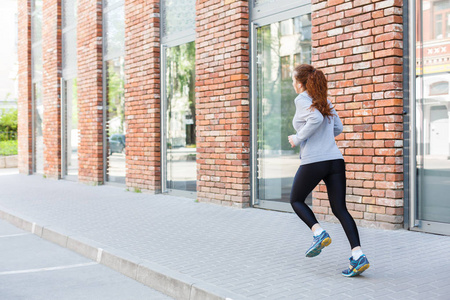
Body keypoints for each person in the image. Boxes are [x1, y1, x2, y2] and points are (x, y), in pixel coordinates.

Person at [288, 64, 370, 277]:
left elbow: (315, 119)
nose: (293, 84)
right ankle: (358, 255)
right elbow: (338, 128)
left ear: (300, 83)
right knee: (340, 209)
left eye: (293, 80)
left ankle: (319, 232)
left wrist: (298, 138)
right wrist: (323, 136)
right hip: (335, 160)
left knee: (296, 200)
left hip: (315, 160)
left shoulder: (302, 99)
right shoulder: (323, 100)